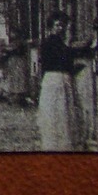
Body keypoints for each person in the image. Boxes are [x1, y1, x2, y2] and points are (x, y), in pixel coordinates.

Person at [38, 12, 92, 150]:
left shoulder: (56, 42)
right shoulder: (51, 42)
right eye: (57, 25)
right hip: (56, 79)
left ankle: (58, 142)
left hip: (57, 79)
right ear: (51, 27)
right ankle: (58, 143)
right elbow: (63, 58)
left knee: (60, 111)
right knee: (58, 110)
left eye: (62, 25)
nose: (60, 28)